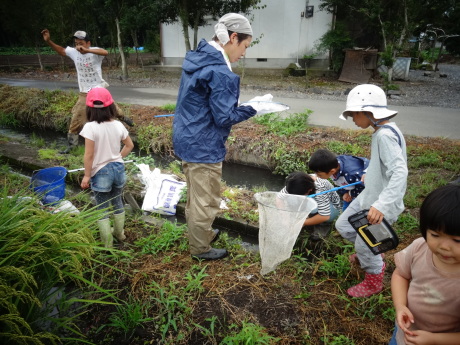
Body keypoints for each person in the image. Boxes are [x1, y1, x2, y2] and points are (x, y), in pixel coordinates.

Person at [172, 13, 257, 261]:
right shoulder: (220, 71)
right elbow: (224, 117)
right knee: (205, 201)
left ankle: (202, 234)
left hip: (188, 135)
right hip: (203, 144)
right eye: (244, 46)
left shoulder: (198, 58)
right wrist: (254, 108)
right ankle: (200, 248)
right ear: (233, 38)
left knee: (195, 196)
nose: (243, 53)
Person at [335, 84, 408, 298]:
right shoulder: (383, 131)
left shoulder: (385, 136)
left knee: (365, 244)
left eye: (354, 115)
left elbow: (399, 171)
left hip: (380, 204)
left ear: (367, 112)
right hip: (369, 196)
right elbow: (385, 165)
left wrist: (382, 205)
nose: (354, 121)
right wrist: (373, 174)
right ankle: (370, 251)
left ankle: (374, 279)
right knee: (343, 225)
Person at [41, 29, 134, 153]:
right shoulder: (74, 52)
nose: (78, 46)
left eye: (81, 43)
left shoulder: (94, 52)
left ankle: (123, 118)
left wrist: (87, 50)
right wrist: (49, 41)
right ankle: (71, 146)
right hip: (85, 92)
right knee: (77, 117)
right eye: (76, 43)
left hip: (99, 88)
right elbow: (62, 51)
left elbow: (105, 52)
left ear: (88, 43)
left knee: (111, 107)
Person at [389, 183, 460, 345]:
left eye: (457, 240)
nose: (444, 246)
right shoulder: (419, 248)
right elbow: (400, 274)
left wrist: (434, 340)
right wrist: (400, 306)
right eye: (435, 234)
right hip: (405, 331)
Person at [80, 87, 134, 248]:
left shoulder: (90, 127)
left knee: (102, 207)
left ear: (89, 108)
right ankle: (120, 234)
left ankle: (107, 243)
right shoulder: (118, 124)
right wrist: (118, 157)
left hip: (101, 173)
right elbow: (129, 145)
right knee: (117, 201)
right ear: (111, 107)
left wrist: (87, 176)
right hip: (118, 170)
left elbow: (89, 155)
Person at [280, 171, 341, 241]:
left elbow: (325, 216)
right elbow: (279, 198)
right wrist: (285, 217)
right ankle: (306, 216)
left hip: (332, 208)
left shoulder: (320, 188)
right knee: (291, 199)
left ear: (310, 190)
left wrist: (300, 223)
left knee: (322, 216)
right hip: (311, 200)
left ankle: (323, 225)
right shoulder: (295, 182)